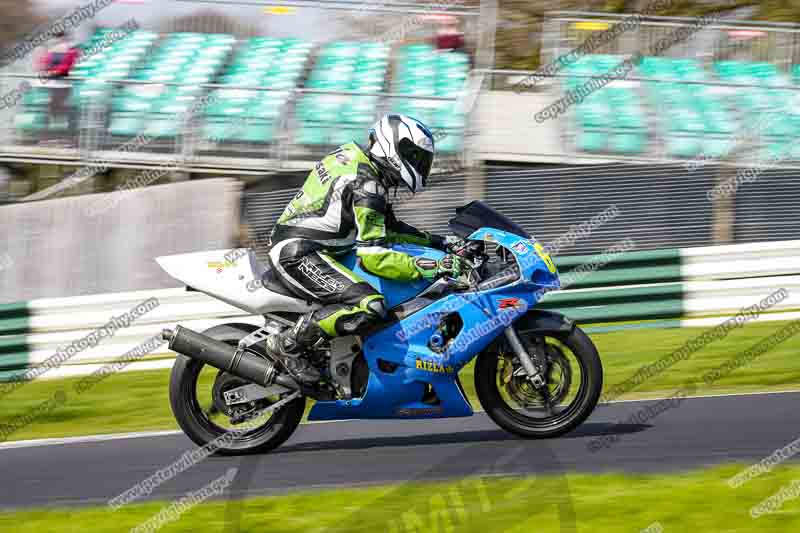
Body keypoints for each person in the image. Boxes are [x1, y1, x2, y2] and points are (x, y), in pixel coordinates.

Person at [265, 114, 462, 382]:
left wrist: (441, 243)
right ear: (394, 148)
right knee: (369, 306)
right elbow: (375, 258)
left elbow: (388, 227)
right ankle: (288, 345)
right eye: (415, 157)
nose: (419, 165)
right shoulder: (367, 183)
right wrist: (434, 266)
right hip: (299, 253)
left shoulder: (358, 162)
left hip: (316, 247)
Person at [38, 31, 79, 130]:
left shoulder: (71, 49)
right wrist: (47, 71)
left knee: (59, 103)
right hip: (52, 83)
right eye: (56, 37)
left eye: (60, 37)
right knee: (53, 103)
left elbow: (68, 64)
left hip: (64, 83)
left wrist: (55, 72)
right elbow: (45, 63)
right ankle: (53, 124)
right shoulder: (50, 50)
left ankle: (65, 124)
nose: (57, 40)